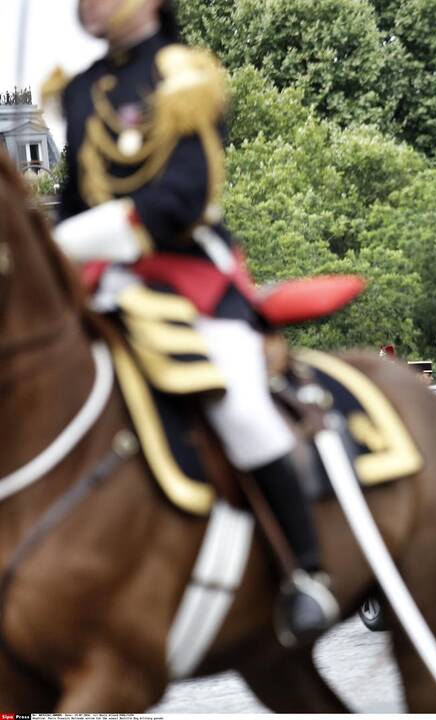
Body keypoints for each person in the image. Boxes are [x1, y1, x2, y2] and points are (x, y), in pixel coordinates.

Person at [53, 0, 337, 645]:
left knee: (238, 403)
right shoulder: (78, 90)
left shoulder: (184, 75)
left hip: (187, 279)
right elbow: (72, 197)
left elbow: (186, 194)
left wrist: (77, 241)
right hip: (102, 285)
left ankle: (309, 570)